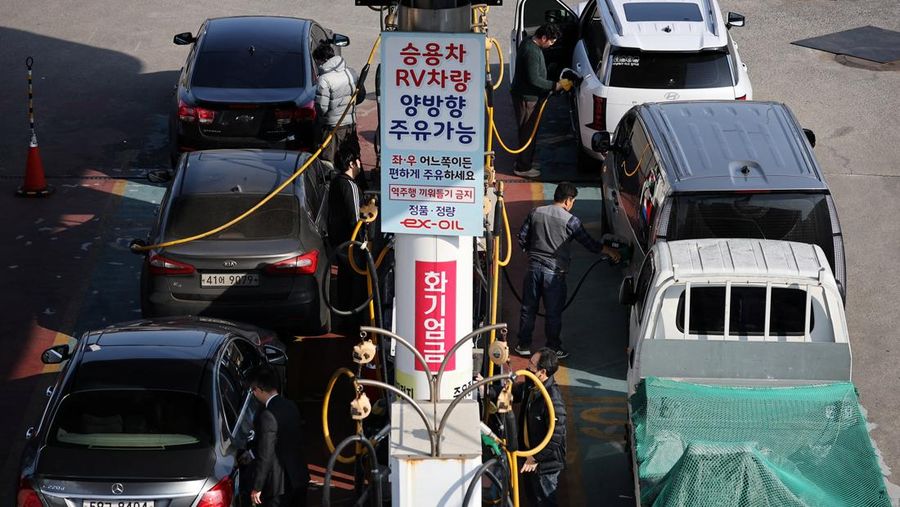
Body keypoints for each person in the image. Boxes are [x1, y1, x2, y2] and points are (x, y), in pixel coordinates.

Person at [515, 182, 621, 358]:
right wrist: (610, 251)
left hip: (533, 269)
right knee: (553, 313)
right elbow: (589, 244)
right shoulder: (571, 221)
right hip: (554, 274)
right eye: (573, 202)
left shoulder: (536, 213)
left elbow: (522, 237)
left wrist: (532, 252)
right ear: (567, 200)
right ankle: (553, 347)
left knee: (528, 308)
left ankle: (523, 345)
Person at [510, 23, 564, 179]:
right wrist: (555, 85)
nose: (551, 44)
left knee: (528, 131)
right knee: (528, 133)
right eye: (551, 41)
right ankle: (522, 167)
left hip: (526, 96)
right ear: (544, 38)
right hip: (527, 98)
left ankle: (525, 161)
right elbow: (534, 80)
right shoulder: (531, 52)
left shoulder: (528, 42)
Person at [249, 367, 309, 506]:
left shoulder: (267, 415)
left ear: (259, 390)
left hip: (279, 486)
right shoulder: (291, 405)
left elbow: (266, 454)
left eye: (253, 391)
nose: (254, 394)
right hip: (299, 476)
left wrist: (257, 487)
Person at [515, 348, 567, 506]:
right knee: (532, 497)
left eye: (531, 363)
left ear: (542, 372)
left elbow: (556, 437)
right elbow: (517, 392)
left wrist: (535, 458)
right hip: (529, 456)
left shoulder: (553, 401)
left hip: (544, 464)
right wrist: (488, 390)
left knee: (544, 500)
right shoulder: (533, 384)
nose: (528, 366)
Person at [327, 137, 368, 333]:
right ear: (352, 163)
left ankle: (344, 320)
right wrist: (363, 241)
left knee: (344, 282)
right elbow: (355, 218)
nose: (360, 163)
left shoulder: (336, 183)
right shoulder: (349, 185)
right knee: (356, 283)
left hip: (339, 242)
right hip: (351, 244)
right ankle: (354, 322)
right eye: (358, 160)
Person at [313, 43, 359, 163]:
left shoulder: (324, 80)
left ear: (323, 60)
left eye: (317, 61)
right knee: (352, 158)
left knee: (329, 161)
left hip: (332, 128)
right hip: (351, 125)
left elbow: (321, 108)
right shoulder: (351, 72)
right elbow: (361, 96)